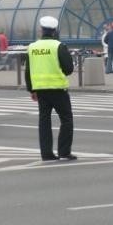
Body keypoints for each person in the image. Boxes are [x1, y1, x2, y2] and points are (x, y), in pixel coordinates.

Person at [25, 16, 76, 161]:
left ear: (41, 30)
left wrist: (31, 90)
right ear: (55, 31)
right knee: (66, 120)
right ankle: (64, 152)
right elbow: (69, 69)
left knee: (44, 121)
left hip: (40, 90)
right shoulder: (59, 46)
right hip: (58, 89)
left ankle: (46, 153)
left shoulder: (32, 47)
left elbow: (28, 70)